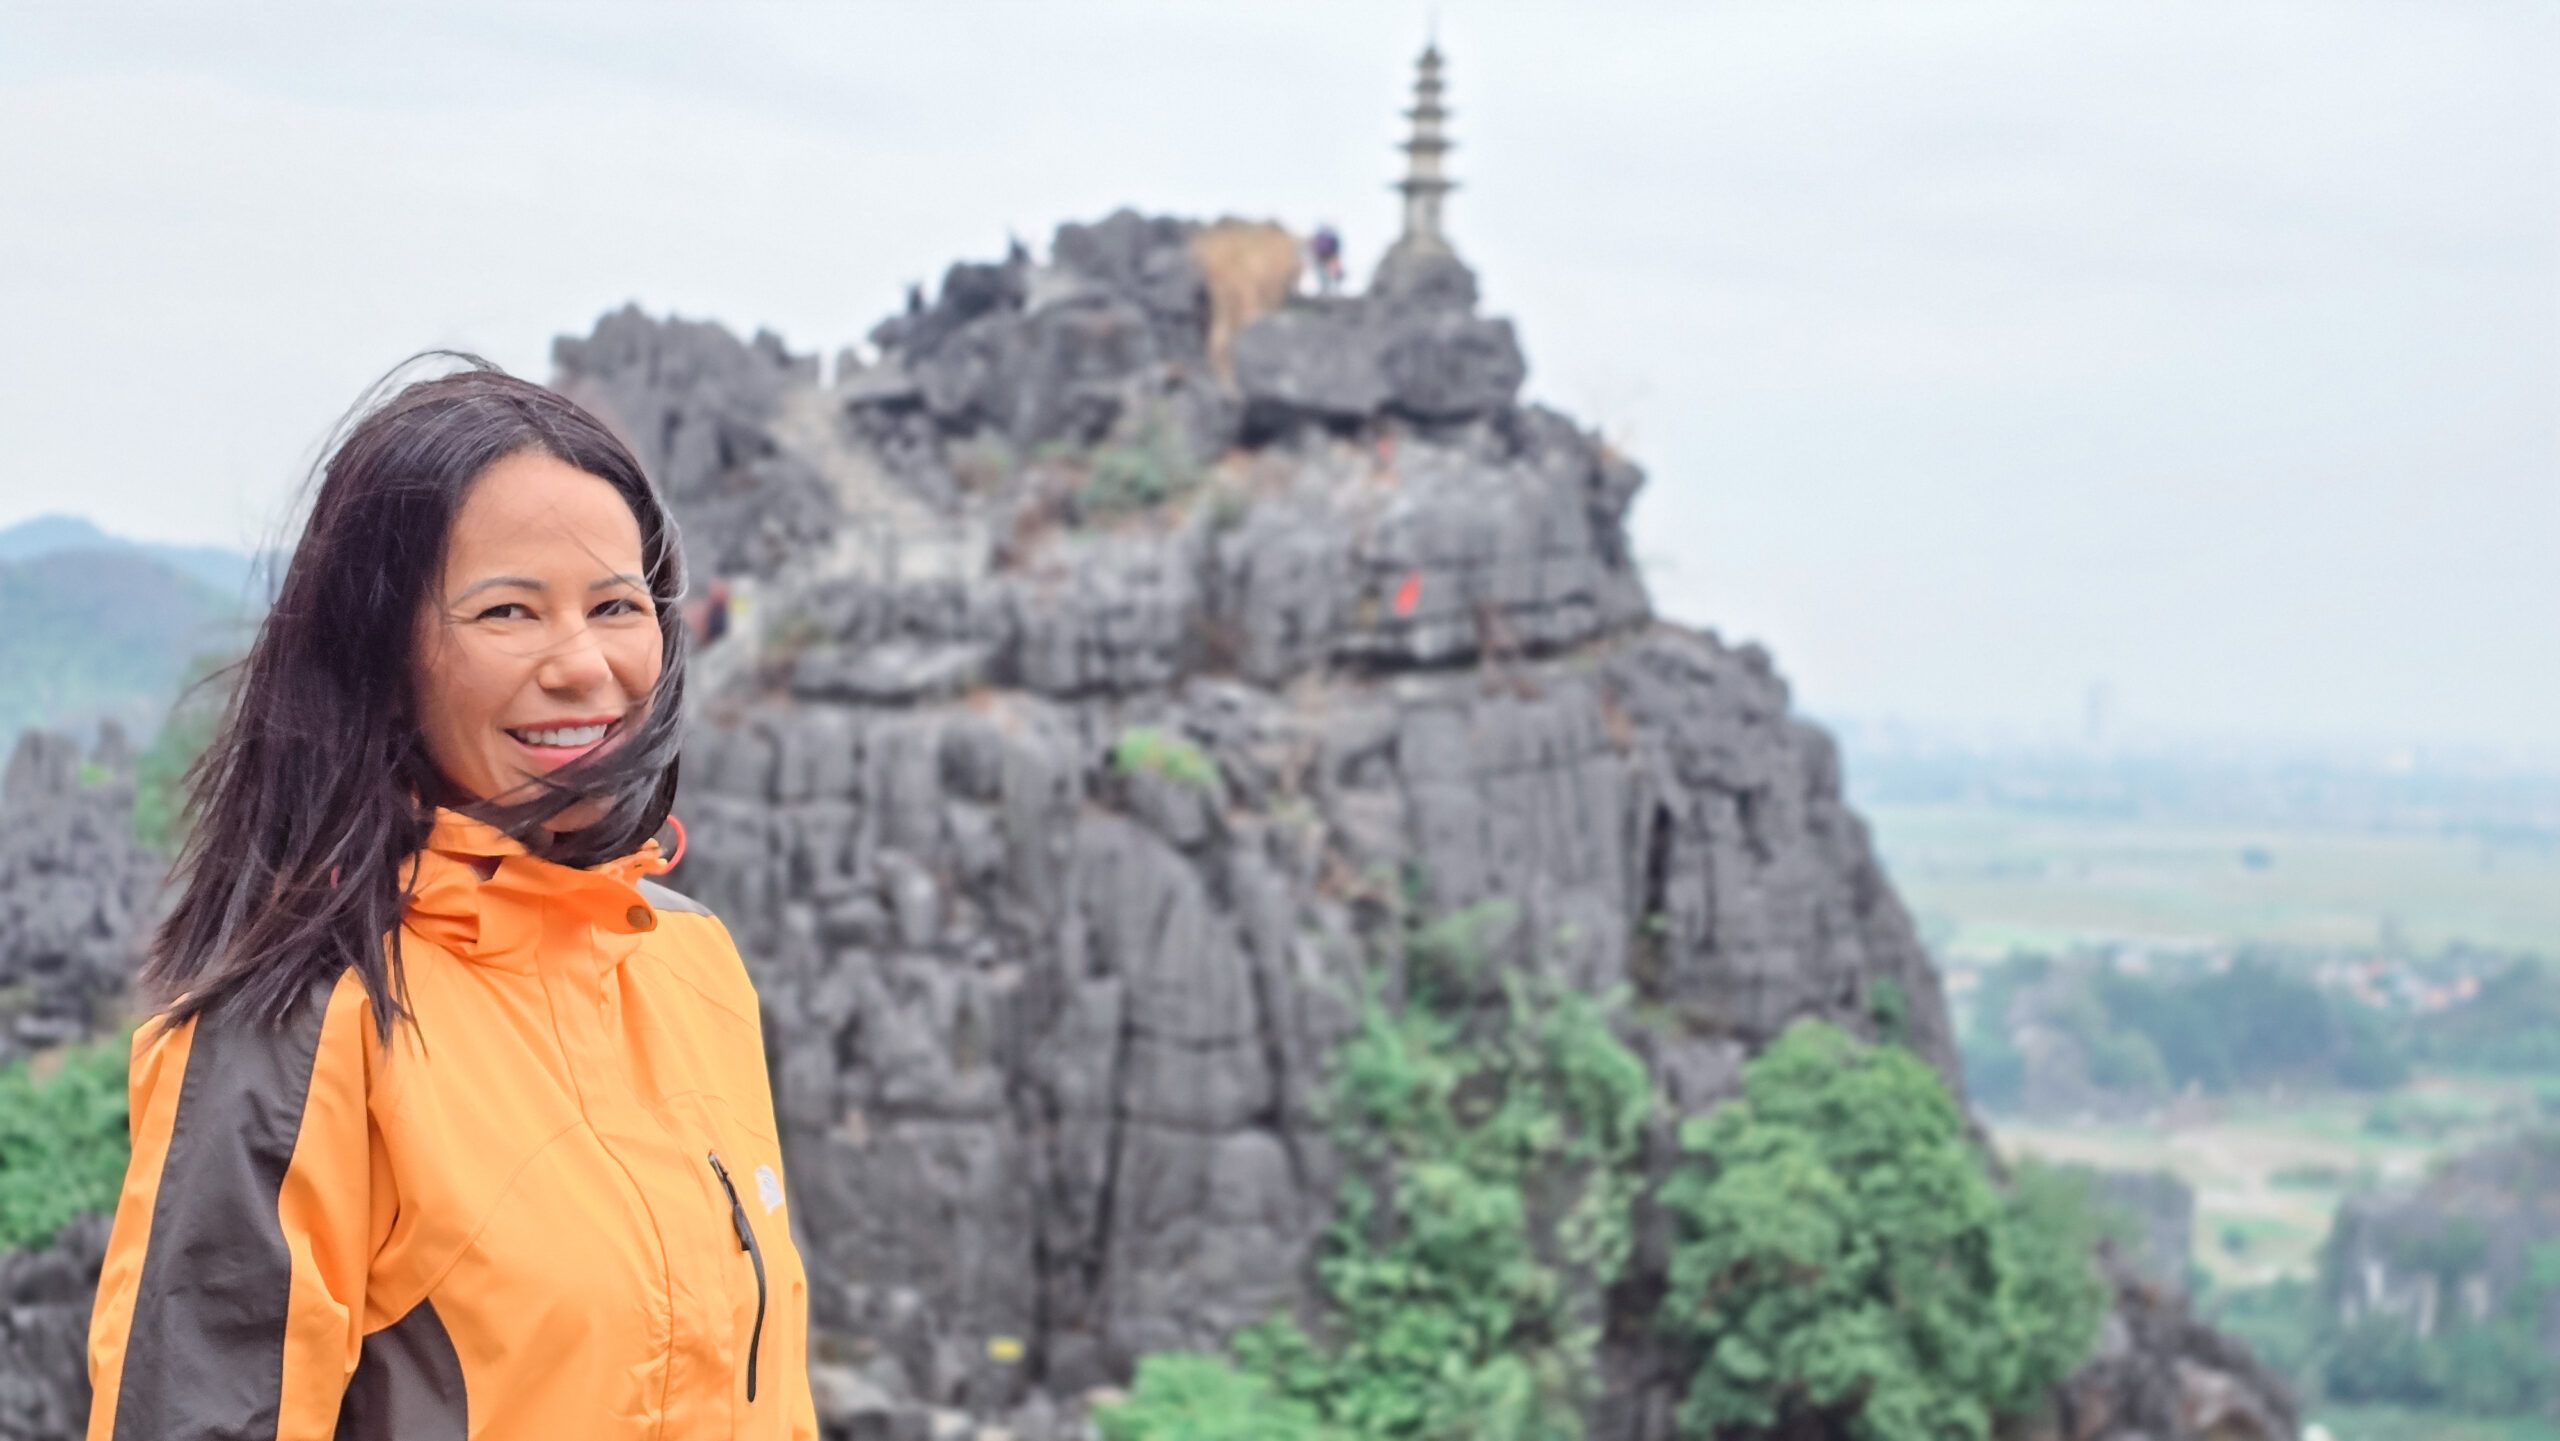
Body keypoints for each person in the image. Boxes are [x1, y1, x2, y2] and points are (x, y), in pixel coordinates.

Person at [84, 364, 817, 1440]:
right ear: (381, 656)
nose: (585, 666)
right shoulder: (300, 1032)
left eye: (616, 605)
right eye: (508, 610)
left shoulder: (688, 964)